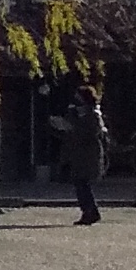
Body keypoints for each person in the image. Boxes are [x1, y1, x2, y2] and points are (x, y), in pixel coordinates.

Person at [50, 78, 109, 225]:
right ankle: (90, 211)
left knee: (82, 184)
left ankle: (90, 212)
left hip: (88, 155)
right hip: (78, 154)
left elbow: (90, 134)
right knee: (80, 184)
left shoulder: (93, 115)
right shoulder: (77, 114)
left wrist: (71, 127)